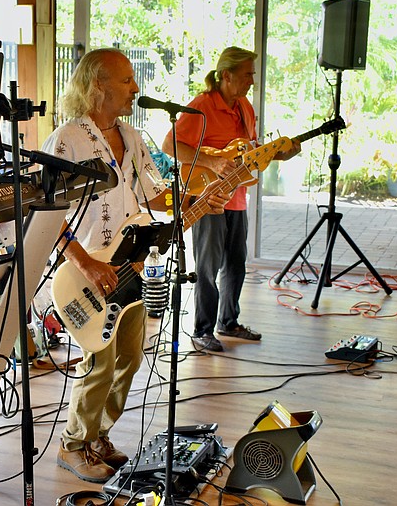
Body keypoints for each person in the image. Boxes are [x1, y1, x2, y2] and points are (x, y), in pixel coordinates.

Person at [43, 48, 230, 483]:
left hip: (129, 268)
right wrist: (86, 264)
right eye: (127, 80)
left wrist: (198, 199)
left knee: (129, 357)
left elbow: (156, 196)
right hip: (85, 273)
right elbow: (46, 214)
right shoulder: (67, 139)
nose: (135, 88)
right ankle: (73, 445)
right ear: (98, 85)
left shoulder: (131, 135)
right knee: (99, 363)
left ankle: (98, 436)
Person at [161, 46, 299, 352]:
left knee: (236, 264)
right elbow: (170, 144)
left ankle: (228, 321)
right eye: (247, 74)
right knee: (207, 268)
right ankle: (202, 330)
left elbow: (251, 151)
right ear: (226, 75)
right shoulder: (202, 106)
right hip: (208, 197)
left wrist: (280, 154)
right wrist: (211, 162)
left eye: (253, 74)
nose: (252, 81)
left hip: (236, 198)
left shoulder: (244, 107)